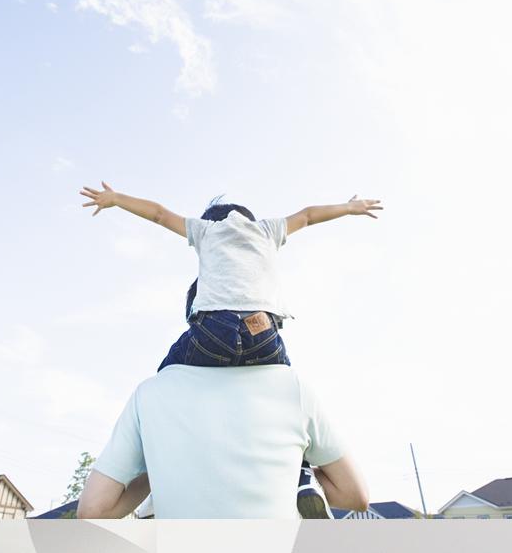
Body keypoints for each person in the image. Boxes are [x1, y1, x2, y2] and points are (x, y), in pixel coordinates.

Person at [78, 182, 382, 517]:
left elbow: (159, 214)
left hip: (213, 329)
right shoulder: (268, 229)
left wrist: (116, 199)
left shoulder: (206, 230)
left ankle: (155, 452)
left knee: (167, 371)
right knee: (285, 374)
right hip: (262, 329)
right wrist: (349, 207)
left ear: (212, 220)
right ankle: (301, 476)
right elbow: (309, 216)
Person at [76, 364, 369, 519]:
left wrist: (159, 471)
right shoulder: (293, 387)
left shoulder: (149, 394)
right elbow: (356, 496)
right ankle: (300, 477)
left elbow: (93, 509)